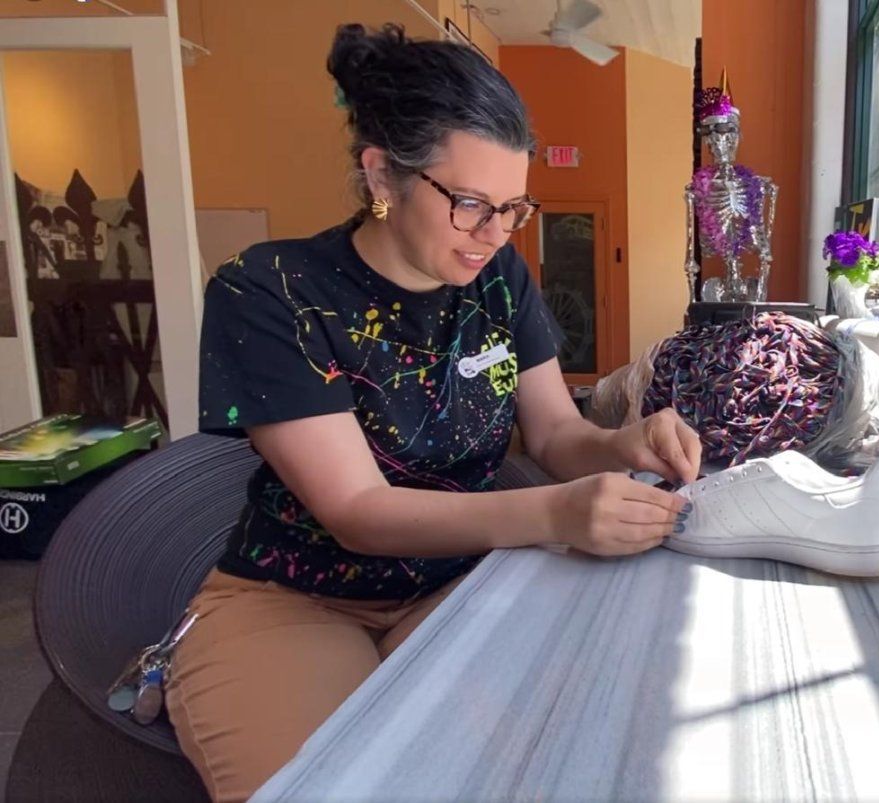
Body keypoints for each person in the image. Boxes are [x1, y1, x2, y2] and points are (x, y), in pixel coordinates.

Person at [165, 22, 701, 802]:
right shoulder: (273, 290)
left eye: (514, 207)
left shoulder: (498, 279)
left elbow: (556, 433)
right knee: (331, 784)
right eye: (472, 204)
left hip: (462, 580)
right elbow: (359, 510)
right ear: (382, 176)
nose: (493, 233)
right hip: (294, 597)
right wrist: (557, 514)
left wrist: (627, 442)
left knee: (546, 763)